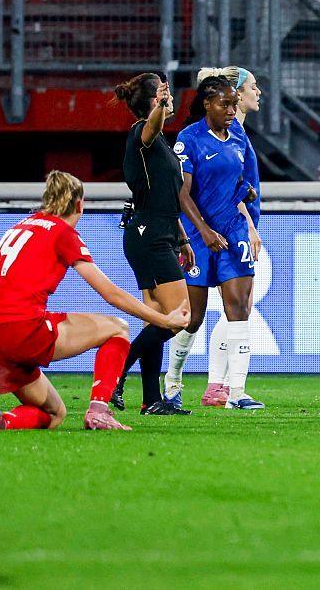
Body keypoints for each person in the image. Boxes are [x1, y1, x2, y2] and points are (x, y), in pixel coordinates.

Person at [0, 171, 190, 432]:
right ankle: (99, 411)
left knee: (54, 413)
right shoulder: (62, 232)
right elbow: (110, 293)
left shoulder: (20, 226)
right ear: (79, 204)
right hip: (22, 329)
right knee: (118, 328)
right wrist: (164, 319)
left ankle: (0, 420)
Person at [163, 67, 263, 407]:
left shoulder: (238, 137)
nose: (232, 112)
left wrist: (244, 193)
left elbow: (241, 180)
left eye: (234, 105)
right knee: (193, 318)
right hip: (197, 235)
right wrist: (203, 232)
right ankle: (173, 381)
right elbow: (182, 192)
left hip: (232, 230)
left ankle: (236, 392)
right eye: (225, 105)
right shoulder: (188, 140)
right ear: (207, 104)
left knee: (239, 308)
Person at [110, 72, 195, 416]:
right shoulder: (143, 133)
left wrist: (183, 238)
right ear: (153, 101)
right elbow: (151, 127)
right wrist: (159, 107)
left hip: (156, 232)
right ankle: (115, 374)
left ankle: (150, 400)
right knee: (181, 317)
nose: (170, 99)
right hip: (149, 236)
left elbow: (166, 197)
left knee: (157, 318)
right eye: (163, 95)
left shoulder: (159, 144)